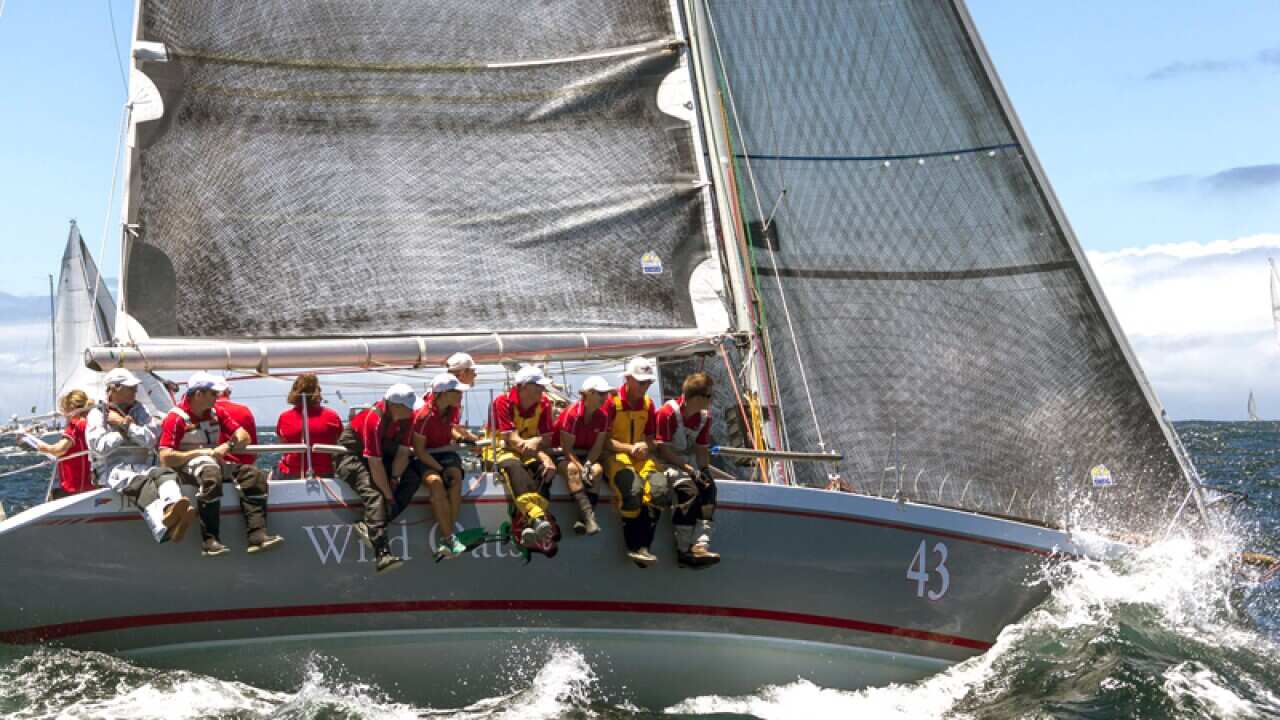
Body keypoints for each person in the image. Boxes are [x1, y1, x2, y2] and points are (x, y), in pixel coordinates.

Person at [158, 371, 283, 557]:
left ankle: (257, 535)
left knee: (253, 475)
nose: (217, 397)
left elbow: (243, 436)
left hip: (214, 461)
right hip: (189, 467)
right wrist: (200, 452)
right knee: (210, 474)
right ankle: (210, 540)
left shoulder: (217, 412)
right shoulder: (175, 418)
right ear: (198, 394)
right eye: (213, 394)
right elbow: (165, 457)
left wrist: (228, 446)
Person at [85, 369, 195, 543]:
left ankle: (173, 507)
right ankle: (161, 528)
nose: (135, 391)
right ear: (114, 388)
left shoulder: (139, 409)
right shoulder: (97, 414)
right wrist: (124, 432)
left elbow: (150, 440)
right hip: (110, 470)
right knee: (142, 483)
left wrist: (125, 426)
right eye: (130, 387)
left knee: (165, 474)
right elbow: (99, 446)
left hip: (140, 466)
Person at [336, 384, 423, 574]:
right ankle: (382, 553)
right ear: (395, 406)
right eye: (409, 407)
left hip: (382, 456)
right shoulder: (373, 419)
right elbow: (375, 464)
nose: (412, 411)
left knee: (413, 477)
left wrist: (394, 479)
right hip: (352, 457)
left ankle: (372, 525)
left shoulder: (408, 418)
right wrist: (388, 494)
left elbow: (402, 452)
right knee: (375, 494)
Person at [605, 357, 667, 567]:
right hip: (616, 456)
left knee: (659, 490)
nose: (645, 386)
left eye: (648, 382)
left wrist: (645, 447)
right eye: (641, 382)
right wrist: (630, 448)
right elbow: (603, 440)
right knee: (632, 490)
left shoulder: (649, 405)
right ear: (628, 379)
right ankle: (634, 546)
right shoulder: (611, 402)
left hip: (641, 457)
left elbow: (650, 437)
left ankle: (644, 547)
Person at [490, 365, 559, 551]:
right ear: (523, 387)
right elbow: (512, 440)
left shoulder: (544, 404)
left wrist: (541, 453)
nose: (543, 390)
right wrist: (539, 451)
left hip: (530, 450)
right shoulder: (502, 402)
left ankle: (528, 523)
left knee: (545, 469)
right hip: (501, 450)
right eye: (538, 386)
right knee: (514, 467)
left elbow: (545, 438)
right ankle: (538, 518)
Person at [655, 372, 721, 567]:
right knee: (688, 491)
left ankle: (701, 544)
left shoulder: (704, 417)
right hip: (666, 462)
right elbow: (663, 449)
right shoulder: (667, 414)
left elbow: (701, 449)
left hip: (687, 463)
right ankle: (684, 550)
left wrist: (704, 471)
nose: (711, 400)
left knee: (709, 489)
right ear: (697, 397)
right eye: (709, 396)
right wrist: (689, 470)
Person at [412, 373, 470, 558]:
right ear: (443, 394)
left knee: (455, 478)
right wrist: (438, 469)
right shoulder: (424, 416)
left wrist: (461, 437)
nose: (461, 394)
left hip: (444, 452)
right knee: (436, 483)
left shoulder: (451, 409)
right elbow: (420, 451)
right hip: (425, 456)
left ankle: (449, 537)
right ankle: (449, 537)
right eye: (456, 391)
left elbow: (450, 427)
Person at [555, 376, 613, 536]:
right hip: (565, 455)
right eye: (601, 394)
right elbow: (567, 449)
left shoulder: (603, 416)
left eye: (606, 394)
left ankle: (584, 519)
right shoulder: (572, 414)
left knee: (597, 470)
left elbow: (597, 447)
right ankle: (589, 518)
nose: (605, 398)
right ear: (589, 394)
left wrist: (587, 465)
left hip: (587, 455)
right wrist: (582, 468)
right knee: (573, 469)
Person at [24, 389, 93, 498]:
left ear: (71, 409)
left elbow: (60, 450)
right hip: (88, 485)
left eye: (64, 411)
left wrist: (43, 447)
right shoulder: (90, 423)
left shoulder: (74, 426)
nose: (64, 415)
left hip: (74, 487)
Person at [275, 374, 344, 479]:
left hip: (290, 474)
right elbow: (341, 442)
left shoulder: (284, 418)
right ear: (318, 391)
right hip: (324, 474)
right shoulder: (332, 417)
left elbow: (282, 443)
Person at [212, 376, 258, 467]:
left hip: (210, 467)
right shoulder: (243, 410)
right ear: (227, 392)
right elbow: (253, 447)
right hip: (241, 468)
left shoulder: (200, 411)